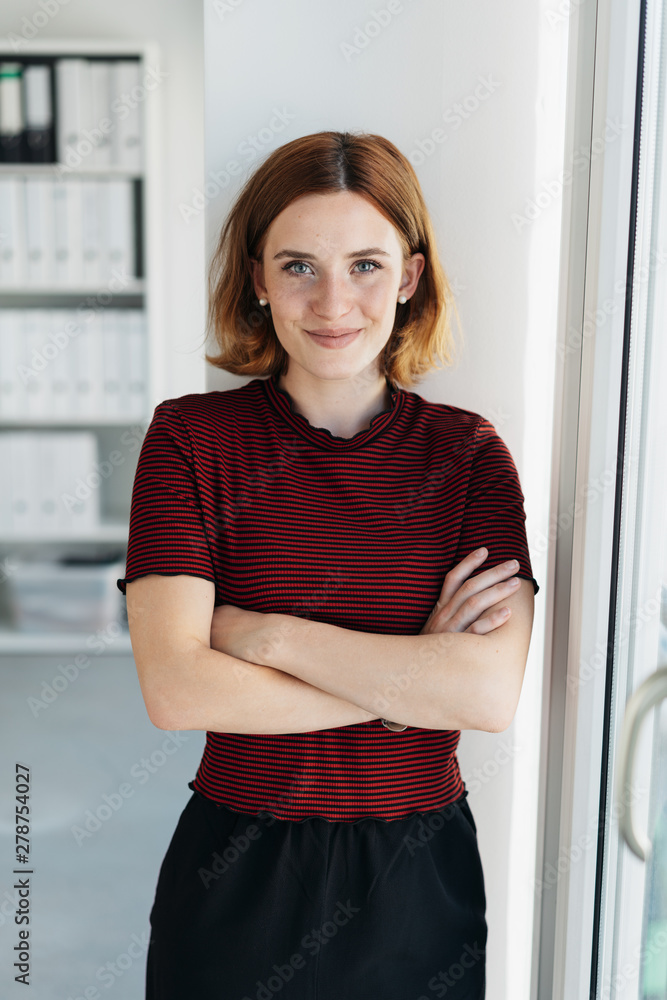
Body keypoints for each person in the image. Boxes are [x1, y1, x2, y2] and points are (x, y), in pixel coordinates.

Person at [117, 130, 538, 1000]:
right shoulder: (189, 441)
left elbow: (486, 696)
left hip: (417, 877)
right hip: (238, 871)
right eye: (299, 265)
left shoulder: (469, 456)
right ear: (258, 278)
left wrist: (260, 635)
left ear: (411, 278)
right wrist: (406, 681)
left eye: (366, 265)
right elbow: (178, 692)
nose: (333, 301)